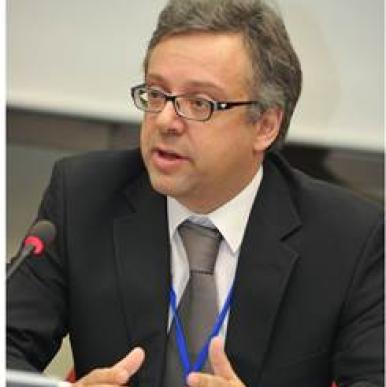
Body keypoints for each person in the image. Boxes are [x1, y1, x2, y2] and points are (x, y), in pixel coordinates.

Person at [7, 0, 383, 386]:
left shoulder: (351, 240)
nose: (166, 120)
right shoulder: (83, 197)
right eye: (156, 94)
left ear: (265, 126)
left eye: (199, 103)